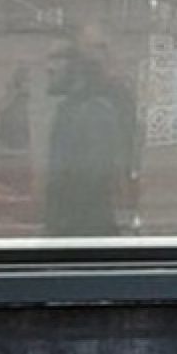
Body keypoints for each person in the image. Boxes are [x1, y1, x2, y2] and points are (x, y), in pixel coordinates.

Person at [44, 29, 138, 237]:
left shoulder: (93, 114)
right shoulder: (70, 111)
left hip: (82, 241)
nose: (48, 68)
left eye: (57, 58)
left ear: (79, 66)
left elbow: (86, 189)